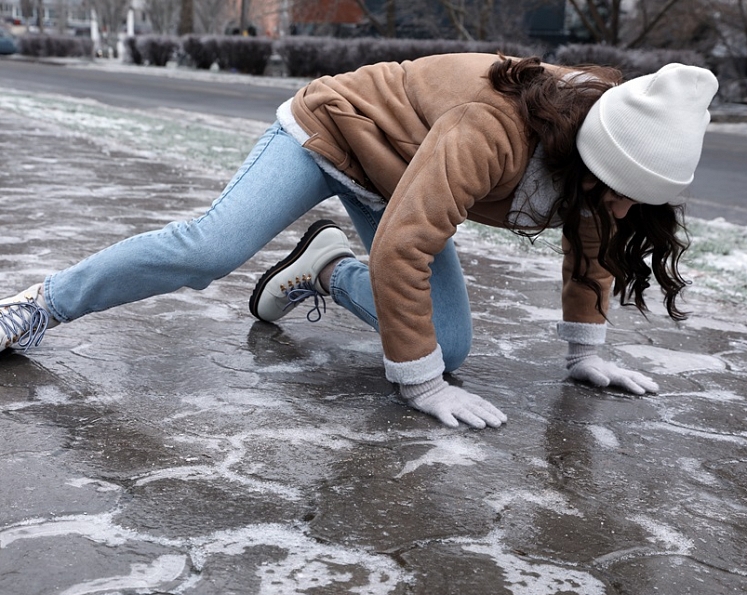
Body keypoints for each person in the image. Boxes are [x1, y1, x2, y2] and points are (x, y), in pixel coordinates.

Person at [0, 54, 719, 429]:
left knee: (448, 343)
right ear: (586, 155)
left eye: (639, 197)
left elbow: (592, 235)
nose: (624, 206)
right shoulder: (489, 129)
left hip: (405, 174)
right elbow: (407, 246)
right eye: (619, 188)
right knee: (207, 250)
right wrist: (420, 385)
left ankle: (326, 266)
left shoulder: (620, 137)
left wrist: (585, 353)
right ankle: (39, 306)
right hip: (332, 132)